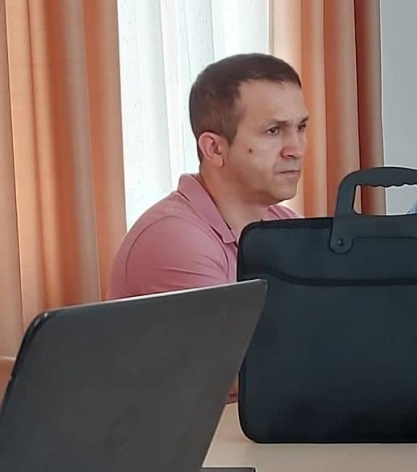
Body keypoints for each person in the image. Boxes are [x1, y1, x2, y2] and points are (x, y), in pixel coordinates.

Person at [108, 53, 308, 300]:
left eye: (301, 127)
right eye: (273, 131)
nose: (297, 150)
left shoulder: (286, 223)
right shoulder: (174, 239)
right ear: (214, 149)